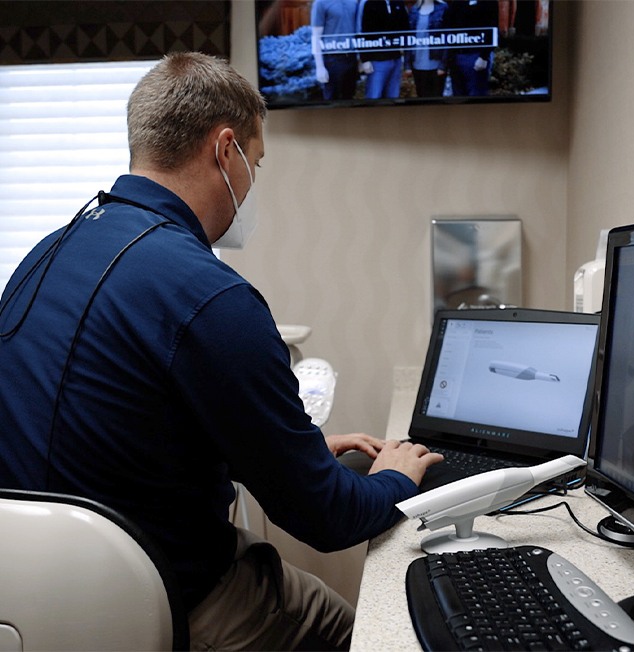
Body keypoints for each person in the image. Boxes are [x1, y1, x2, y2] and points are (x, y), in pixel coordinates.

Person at [0, 52, 442, 651]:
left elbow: (114, 424)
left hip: (34, 601)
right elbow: (328, 519)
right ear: (225, 149)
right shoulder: (209, 296)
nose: (253, 181)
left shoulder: (47, 254)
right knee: (370, 633)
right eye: (256, 163)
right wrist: (396, 479)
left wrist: (287, 449)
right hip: (169, 601)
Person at [443, 0, 500, 97]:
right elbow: (448, 24)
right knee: (458, 96)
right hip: (457, 56)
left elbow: (492, 29)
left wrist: (484, 57)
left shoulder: (489, 2)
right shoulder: (457, 3)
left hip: (477, 56)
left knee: (476, 96)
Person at [357, 0, 409, 99]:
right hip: (376, 61)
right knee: (374, 97)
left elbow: (405, 30)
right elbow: (361, 32)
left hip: (396, 59)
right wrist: (365, 59)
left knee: (393, 97)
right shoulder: (368, 3)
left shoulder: (398, 3)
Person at [311, 0, 360, 101]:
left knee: (349, 99)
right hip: (332, 60)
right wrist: (319, 67)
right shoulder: (320, 3)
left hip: (351, 58)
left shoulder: (353, 2)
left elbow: (357, 30)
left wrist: (361, 58)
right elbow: (316, 36)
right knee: (332, 102)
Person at [404, 0, 449, 98]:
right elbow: (408, 38)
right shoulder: (414, 10)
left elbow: (447, 39)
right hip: (417, 64)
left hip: (436, 65)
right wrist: (407, 65)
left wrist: (443, 65)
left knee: (436, 99)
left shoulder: (443, 8)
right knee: (422, 98)